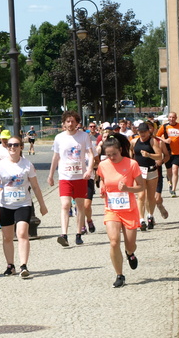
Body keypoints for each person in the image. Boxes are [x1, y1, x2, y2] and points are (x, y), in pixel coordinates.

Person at [0, 136, 48, 277]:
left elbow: (35, 186)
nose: (12, 147)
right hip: (5, 205)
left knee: (22, 233)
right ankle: (10, 265)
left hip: (23, 204)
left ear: (21, 147)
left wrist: (42, 205)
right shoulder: (1, 165)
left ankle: (23, 265)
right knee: (7, 237)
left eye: (16, 145)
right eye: (9, 145)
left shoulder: (27, 164)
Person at [96, 136, 145, 288]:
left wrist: (128, 189)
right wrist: (102, 188)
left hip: (129, 210)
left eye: (114, 154)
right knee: (114, 241)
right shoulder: (103, 165)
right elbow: (102, 179)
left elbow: (141, 186)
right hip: (112, 209)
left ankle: (130, 253)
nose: (111, 157)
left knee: (130, 245)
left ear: (120, 150)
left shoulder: (132, 164)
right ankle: (119, 275)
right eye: (108, 155)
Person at [47, 111, 96, 247]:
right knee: (65, 205)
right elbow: (55, 157)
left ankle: (79, 233)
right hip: (65, 176)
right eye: (67, 121)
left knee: (80, 206)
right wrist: (51, 175)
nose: (70, 124)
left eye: (73, 121)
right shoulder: (59, 138)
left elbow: (91, 155)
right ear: (64, 123)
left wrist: (89, 169)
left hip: (80, 176)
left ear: (77, 123)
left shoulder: (84, 136)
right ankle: (64, 234)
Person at [132, 122, 164, 230]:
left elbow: (160, 155)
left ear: (148, 132)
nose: (142, 134)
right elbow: (130, 155)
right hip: (139, 172)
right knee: (141, 196)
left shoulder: (152, 141)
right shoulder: (134, 141)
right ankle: (141, 220)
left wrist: (149, 155)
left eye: (144, 132)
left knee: (151, 196)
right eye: (140, 132)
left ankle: (150, 215)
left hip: (151, 171)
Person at [156, 111, 179, 196]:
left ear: (176, 118)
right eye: (170, 117)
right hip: (168, 152)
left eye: (173, 117)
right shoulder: (165, 126)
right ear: (168, 118)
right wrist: (165, 140)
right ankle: (170, 183)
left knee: (175, 170)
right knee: (169, 172)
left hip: (177, 152)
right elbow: (157, 136)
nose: (172, 119)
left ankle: (174, 189)